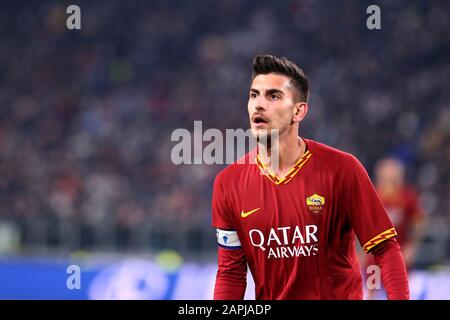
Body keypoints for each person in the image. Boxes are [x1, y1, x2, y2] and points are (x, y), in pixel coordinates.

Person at [211, 54, 409, 299]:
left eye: (273, 96)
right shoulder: (228, 183)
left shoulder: (342, 169)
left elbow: (385, 248)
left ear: (299, 111)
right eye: (254, 95)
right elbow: (231, 273)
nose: (259, 104)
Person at [363, 157, 426, 299]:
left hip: (399, 254)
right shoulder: (371, 194)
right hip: (375, 255)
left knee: (400, 291)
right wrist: (359, 252)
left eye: (393, 175)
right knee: (372, 290)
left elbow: (419, 222)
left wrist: (412, 245)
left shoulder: (407, 197)